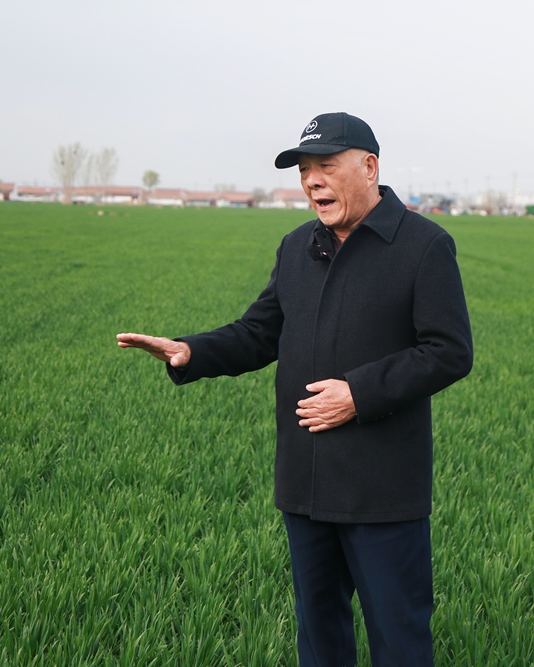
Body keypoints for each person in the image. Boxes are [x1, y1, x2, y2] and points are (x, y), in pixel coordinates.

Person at [117, 111, 473, 666]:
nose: (312, 181)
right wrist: (192, 351)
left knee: (399, 638)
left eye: (325, 166)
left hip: (381, 489)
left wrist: (357, 394)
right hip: (305, 483)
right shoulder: (297, 246)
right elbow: (260, 333)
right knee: (318, 635)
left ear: (369, 167)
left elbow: (449, 351)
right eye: (304, 170)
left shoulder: (423, 245)